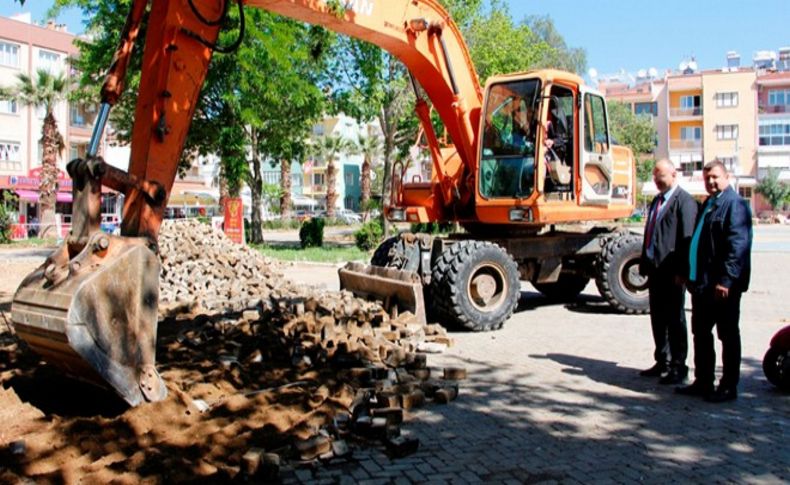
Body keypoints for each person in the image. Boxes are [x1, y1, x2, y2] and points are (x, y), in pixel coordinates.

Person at [676, 160, 752, 403]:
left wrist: (727, 281)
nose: (710, 182)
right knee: (701, 333)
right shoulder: (709, 203)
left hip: (721, 287)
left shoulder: (734, 205)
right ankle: (703, 380)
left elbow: (737, 246)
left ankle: (729, 386)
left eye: (715, 177)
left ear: (726, 176)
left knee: (727, 335)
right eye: (707, 177)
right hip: (702, 284)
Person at [638, 159, 698, 385]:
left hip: (673, 273)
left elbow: (687, 239)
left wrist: (683, 271)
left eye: (660, 175)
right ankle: (662, 359)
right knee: (658, 319)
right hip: (656, 271)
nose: (656, 179)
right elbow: (651, 233)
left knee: (675, 319)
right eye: (654, 176)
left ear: (673, 174)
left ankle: (678, 366)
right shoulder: (657, 201)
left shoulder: (684, 202)